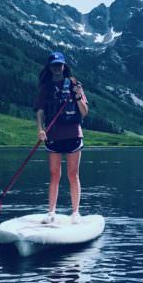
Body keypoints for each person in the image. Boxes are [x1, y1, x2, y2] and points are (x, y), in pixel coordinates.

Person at [34, 51, 89, 223]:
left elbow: (84, 112)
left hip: (73, 135)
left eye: (59, 64)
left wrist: (78, 97)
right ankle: (51, 212)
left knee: (73, 174)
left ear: (64, 66)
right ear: (49, 68)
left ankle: (75, 213)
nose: (57, 67)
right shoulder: (45, 88)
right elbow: (40, 111)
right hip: (53, 136)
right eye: (54, 65)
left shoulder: (75, 85)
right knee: (54, 174)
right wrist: (40, 130)